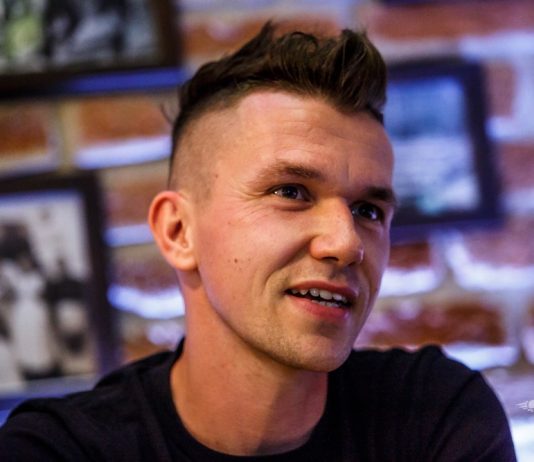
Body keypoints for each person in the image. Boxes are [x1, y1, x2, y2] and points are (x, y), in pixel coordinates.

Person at [0, 22, 516, 461]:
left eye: (368, 211)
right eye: (290, 192)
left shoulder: (437, 413)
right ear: (179, 232)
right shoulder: (57, 450)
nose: (346, 243)